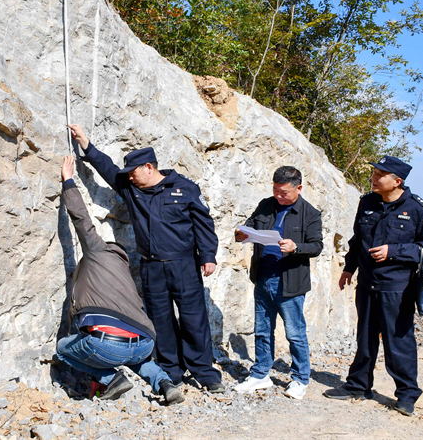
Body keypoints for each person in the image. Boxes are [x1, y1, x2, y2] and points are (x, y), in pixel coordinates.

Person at [67, 124, 225, 393]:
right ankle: (171, 370)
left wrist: (208, 255)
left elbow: (203, 224)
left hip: (183, 264)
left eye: (134, 172)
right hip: (152, 266)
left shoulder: (185, 188)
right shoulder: (132, 189)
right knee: (160, 320)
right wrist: (86, 145)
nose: (129, 177)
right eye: (128, 174)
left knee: (193, 318)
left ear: (149, 168)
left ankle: (205, 373)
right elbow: (107, 169)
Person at [55, 156, 185, 405]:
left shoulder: (97, 251)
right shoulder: (124, 272)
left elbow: (82, 220)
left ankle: (111, 380)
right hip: (145, 343)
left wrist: (68, 180)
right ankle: (165, 384)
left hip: (108, 345)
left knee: (63, 348)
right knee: (138, 358)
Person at [324, 156, 423, 417]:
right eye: (374, 172)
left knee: (398, 340)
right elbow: (357, 239)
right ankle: (358, 386)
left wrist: (393, 251)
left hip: (398, 285)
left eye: (380, 174)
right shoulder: (367, 202)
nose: (374, 178)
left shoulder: (417, 208)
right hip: (367, 282)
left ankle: (407, 394)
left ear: (397, 181)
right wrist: (349, 268)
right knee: (364, 336)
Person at [233, 166, 323, 400]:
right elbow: (249, 226)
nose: (278, 195)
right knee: (262, 330)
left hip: (290, 283)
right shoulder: (266, 204)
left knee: (295, 334)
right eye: (275, 190)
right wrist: (241, 234)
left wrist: (296, 247)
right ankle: (261, 373)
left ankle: (300, 378)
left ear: (299, 188)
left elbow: (317, 246)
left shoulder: (310, 213)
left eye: (283, 192)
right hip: (263, 277)